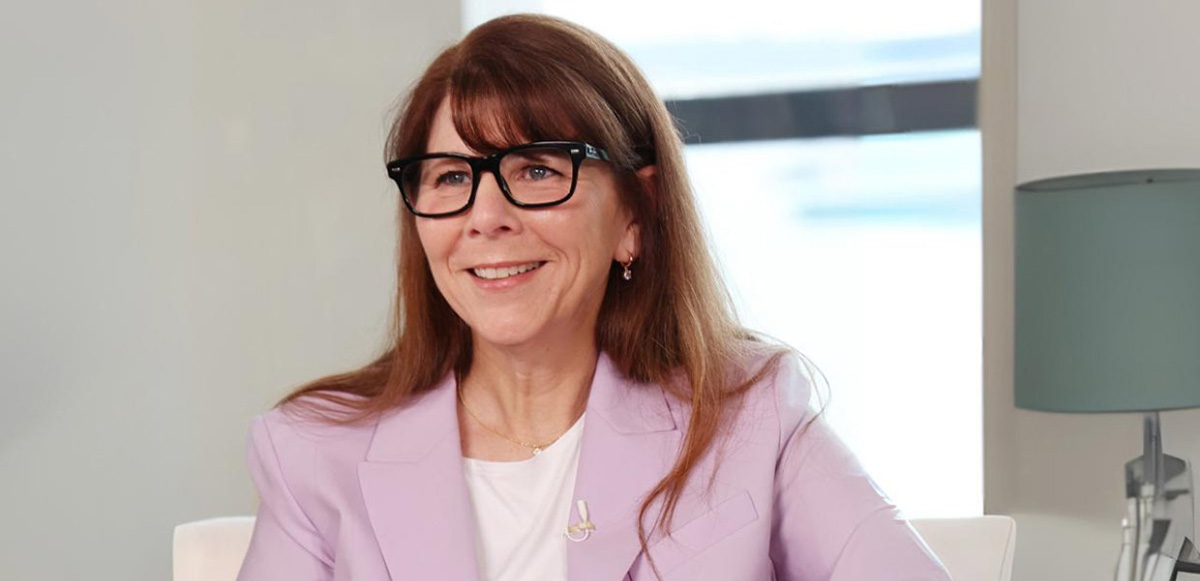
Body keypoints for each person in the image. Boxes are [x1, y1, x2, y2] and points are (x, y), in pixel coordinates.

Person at [236, 13, 950, 581]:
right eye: (451, 177)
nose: (486, 216)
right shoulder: (312, 453)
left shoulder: (751, 416)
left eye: (538, 168)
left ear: (635, 214)